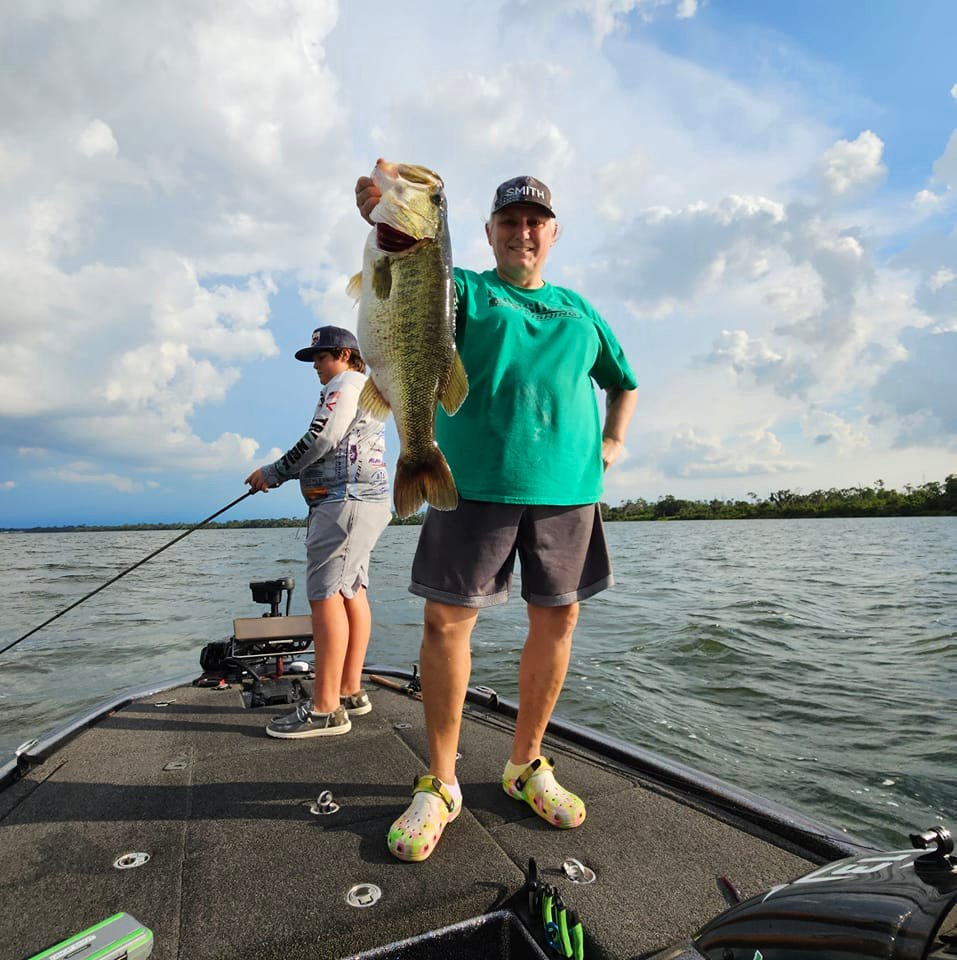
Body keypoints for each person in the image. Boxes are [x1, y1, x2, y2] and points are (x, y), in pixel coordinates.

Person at [355, 171, 639, 861]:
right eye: (508, 222)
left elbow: (622, 383)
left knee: (558, 618)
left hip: (568, 490)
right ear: (487, 234)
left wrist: (611, 443)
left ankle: (524, 765)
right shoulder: (470, 292)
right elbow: (410, 295)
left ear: (553, 232)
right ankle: (443, 781)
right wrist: (378, 219)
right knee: (445, 621)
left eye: (535, 221)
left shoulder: (581, 310)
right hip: (470, 483)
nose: (523, 232)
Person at [245, 325, 392, 739]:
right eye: (313, 360)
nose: (316, 367)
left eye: (322, 357)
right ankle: (349, 690)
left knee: (324, 596)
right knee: (352, 592)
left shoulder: (345, 383)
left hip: (343, 502)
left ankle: (326, 708)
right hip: (367, 502)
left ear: (345, 355)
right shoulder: (368, 387)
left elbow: (323, 435)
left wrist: (274, 472)